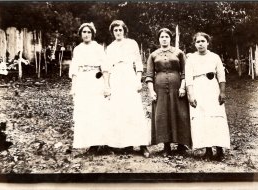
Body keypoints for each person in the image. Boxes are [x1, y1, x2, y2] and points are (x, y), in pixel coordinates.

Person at [105, 20, 150, 157]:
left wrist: (138, 81)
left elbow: (138, 64)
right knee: (118, 110)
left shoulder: (132, 43)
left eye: (120, 30)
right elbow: (107, 68)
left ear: (124, 31)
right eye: (115, 30)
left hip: (129, 76)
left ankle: (142, 145)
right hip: (116, 78)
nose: (118, 32)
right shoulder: (110, 47)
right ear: (112, 32)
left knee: (133, 109)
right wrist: (107, 85)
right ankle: (123, 144)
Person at [146, 28, 192, 157]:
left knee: (180, 113)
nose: (164, 39)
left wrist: (183, 87)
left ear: (170, 38)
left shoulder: (179, 53)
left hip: (177, 87)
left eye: (166, 36)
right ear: (159, 39)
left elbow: (185, 72)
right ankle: (166, 146)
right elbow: (149, 75)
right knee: (162, 114)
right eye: (162, 37)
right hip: (159, 88)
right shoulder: (153, 55)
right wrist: (151, 91)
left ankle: (182, 145)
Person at [185, 32, 230, 161]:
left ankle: (220, 149)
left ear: (208, 43)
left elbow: (221, 76)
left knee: (216, 117)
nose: (200, 44)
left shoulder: (215, 57)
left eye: (203, 41)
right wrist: (191, 95)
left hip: (212, 88)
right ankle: (208, 150)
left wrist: (222, 92)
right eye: (197, 42)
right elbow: (188, 78)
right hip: (198, 88)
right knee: (202, 118)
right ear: (194, 44)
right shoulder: (191, 59)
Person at [69, 22, 111, 154]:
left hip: (95, 80)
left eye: (89, 32)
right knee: (84, 112)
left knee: (96, 111)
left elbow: (105, 68)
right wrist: (73, 87)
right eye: (84, 32)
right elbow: (74, 69)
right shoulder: (77, 49)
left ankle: (98, 143)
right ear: (80, 34)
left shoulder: (98, 48)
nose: (86, 35)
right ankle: (88, 141)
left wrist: (106, 85)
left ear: (92, 34)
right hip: (82, 81)